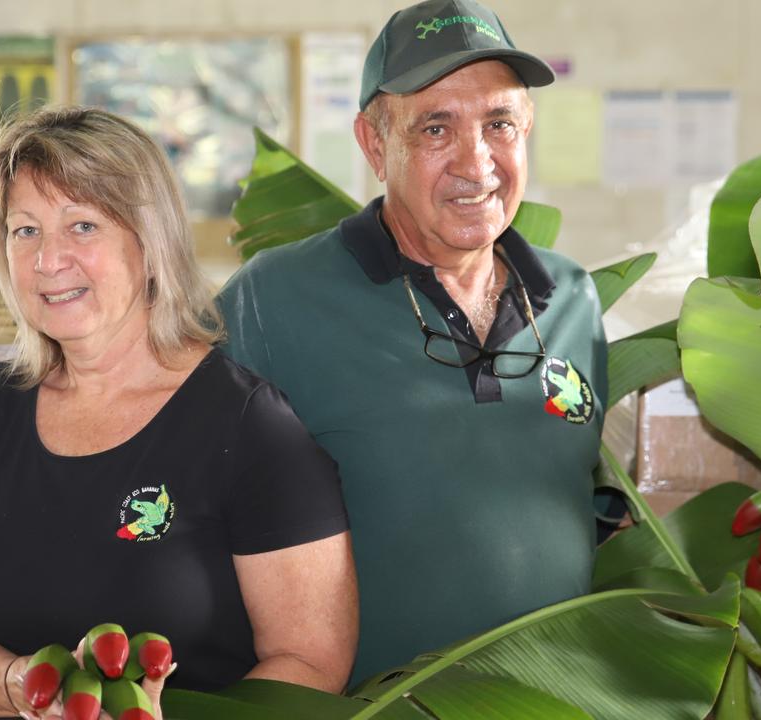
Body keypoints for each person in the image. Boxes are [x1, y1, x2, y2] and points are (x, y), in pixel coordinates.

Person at [0, 106, 358, 720]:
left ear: (150, 240)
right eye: (24, 230)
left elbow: (314, 662)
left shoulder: (247, 426)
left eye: (81, 226)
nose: (48, 260)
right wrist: (26, 686)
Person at [217, 0, 608, 687]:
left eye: (499, 124)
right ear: (374, 145)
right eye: (436, 128)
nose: (476, 161)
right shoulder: (272, 300)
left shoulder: (573, 297)